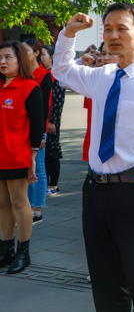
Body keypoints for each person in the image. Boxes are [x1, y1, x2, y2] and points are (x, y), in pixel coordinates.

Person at [52, 3, 134, 311]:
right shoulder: (101, 76)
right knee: (104, 280)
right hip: (95, 189)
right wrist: (69, 33)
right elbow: (61, 71)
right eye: (108, 28)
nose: (113, 35)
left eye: (121, 29)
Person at [0, 41, 44, 274]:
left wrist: (33, 157)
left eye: (8, 57)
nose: (3, 62)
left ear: (20, 60)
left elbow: (37, 126)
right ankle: (5, 250)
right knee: (2, 204)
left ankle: (23, 252)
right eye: (0, 58)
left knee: (19, 202)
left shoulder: (29, 88)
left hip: (17, 156)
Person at [22, 38, 52, 225]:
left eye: (26, 50)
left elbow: (46, 107)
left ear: (36, 53)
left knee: (38, 168)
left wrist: (42, 133)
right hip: (22, 127)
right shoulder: (21, 74)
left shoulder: (44, 75)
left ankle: (37, 210)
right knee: (26, 168)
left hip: (38, 128)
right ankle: (25, 207)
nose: (22, 53)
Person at [41, 45, 65, 196]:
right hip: (42, 120)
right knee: (44, 153)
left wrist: (53, 122)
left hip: (51, 121)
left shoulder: (56, 75)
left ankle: (53, 184)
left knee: (52, 153)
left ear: (51, 57)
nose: (41, 57)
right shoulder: (41, 74)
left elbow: (58, 102)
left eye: (44, 54)